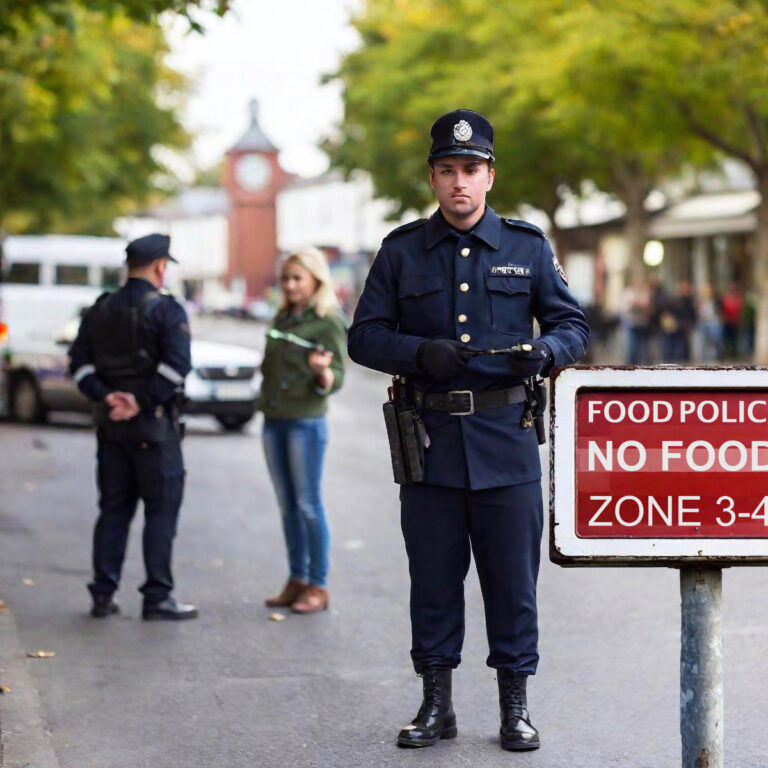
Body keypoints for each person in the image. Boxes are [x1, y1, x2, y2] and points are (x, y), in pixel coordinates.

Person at [347, 110, 589, 751]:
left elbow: (573, 326)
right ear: (432, 177)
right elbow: (364, 337)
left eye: (472, 170)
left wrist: (548, 353)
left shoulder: (527, 247)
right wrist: (419, 353)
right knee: (433, 579)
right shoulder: (401, 251)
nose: (460, 182)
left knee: (513, 582)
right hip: (430, 444)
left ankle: (515, 706)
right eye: (448, 170)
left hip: (506, 440)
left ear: (489, 176)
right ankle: (436, 705)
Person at [68, 233, 198, 621]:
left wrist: (107, 396)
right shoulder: (167, 310)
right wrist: (140, 401)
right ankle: (157, 597)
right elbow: (176, 367)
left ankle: (102, 594)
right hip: (155, 430)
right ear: (161, 267)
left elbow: (79, 365)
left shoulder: (99, 309)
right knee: (160, 512)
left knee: (113, 510)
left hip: (111, 429)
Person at [260, 247, 346, 614]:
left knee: (308, 503)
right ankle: (296, 579)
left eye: (298, 278)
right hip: (274, 419)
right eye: (286, 278)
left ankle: (318, 585)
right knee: (288, 505)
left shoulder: (327, 320)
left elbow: (337, 375)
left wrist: (321, 372)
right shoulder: (281, 317)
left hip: (305, 422)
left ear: (315, 280)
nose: (291, 285)